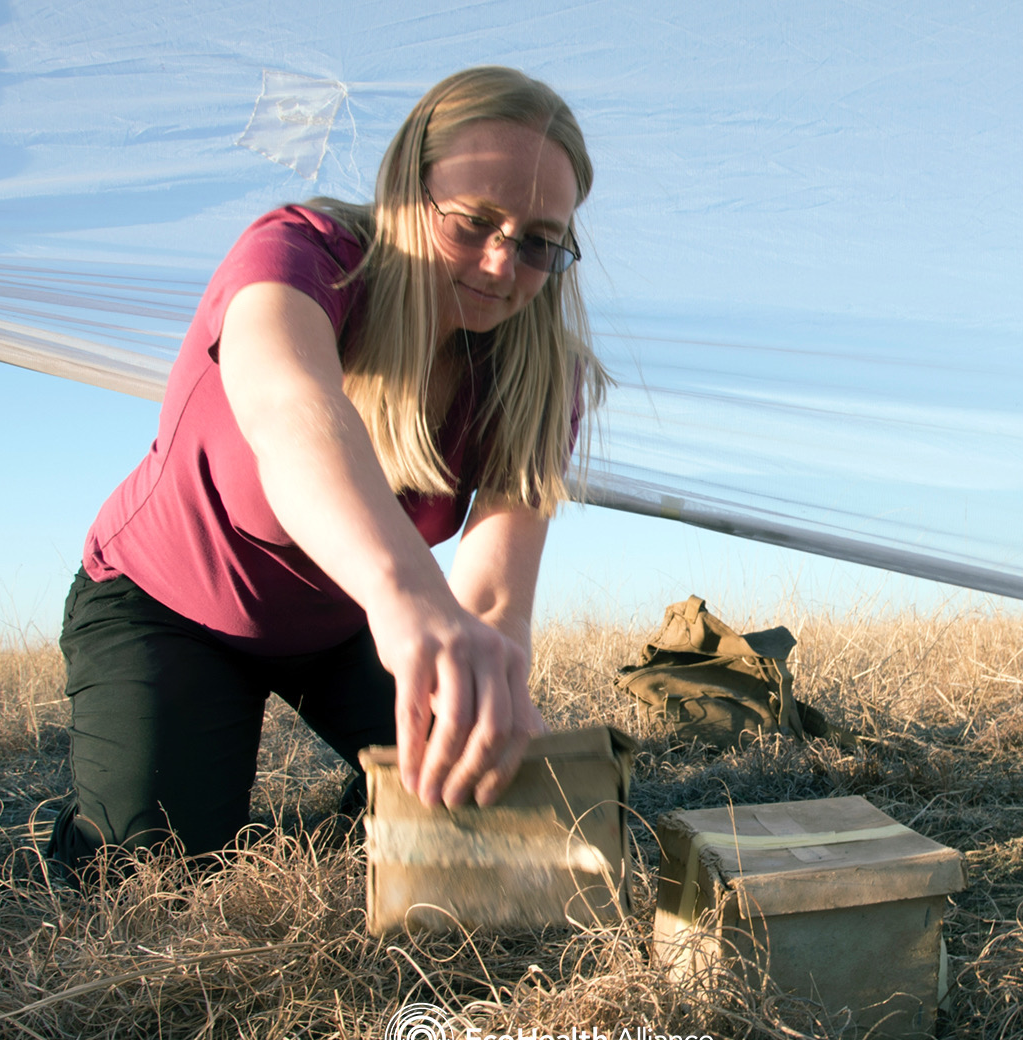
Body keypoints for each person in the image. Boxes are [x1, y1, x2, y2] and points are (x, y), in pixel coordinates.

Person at [46, 66, 607, 876]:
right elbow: (293, 412)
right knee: (151, 870)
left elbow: (491, 606)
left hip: (349, 627)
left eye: (537, 242)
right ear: (405, 189)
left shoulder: (543, 377)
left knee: (480, 798)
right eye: (474, 221)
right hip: (168, 607)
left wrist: (488, 697)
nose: (498, 264)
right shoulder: (299, 254)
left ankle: (373, 808)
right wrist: (406, 596)